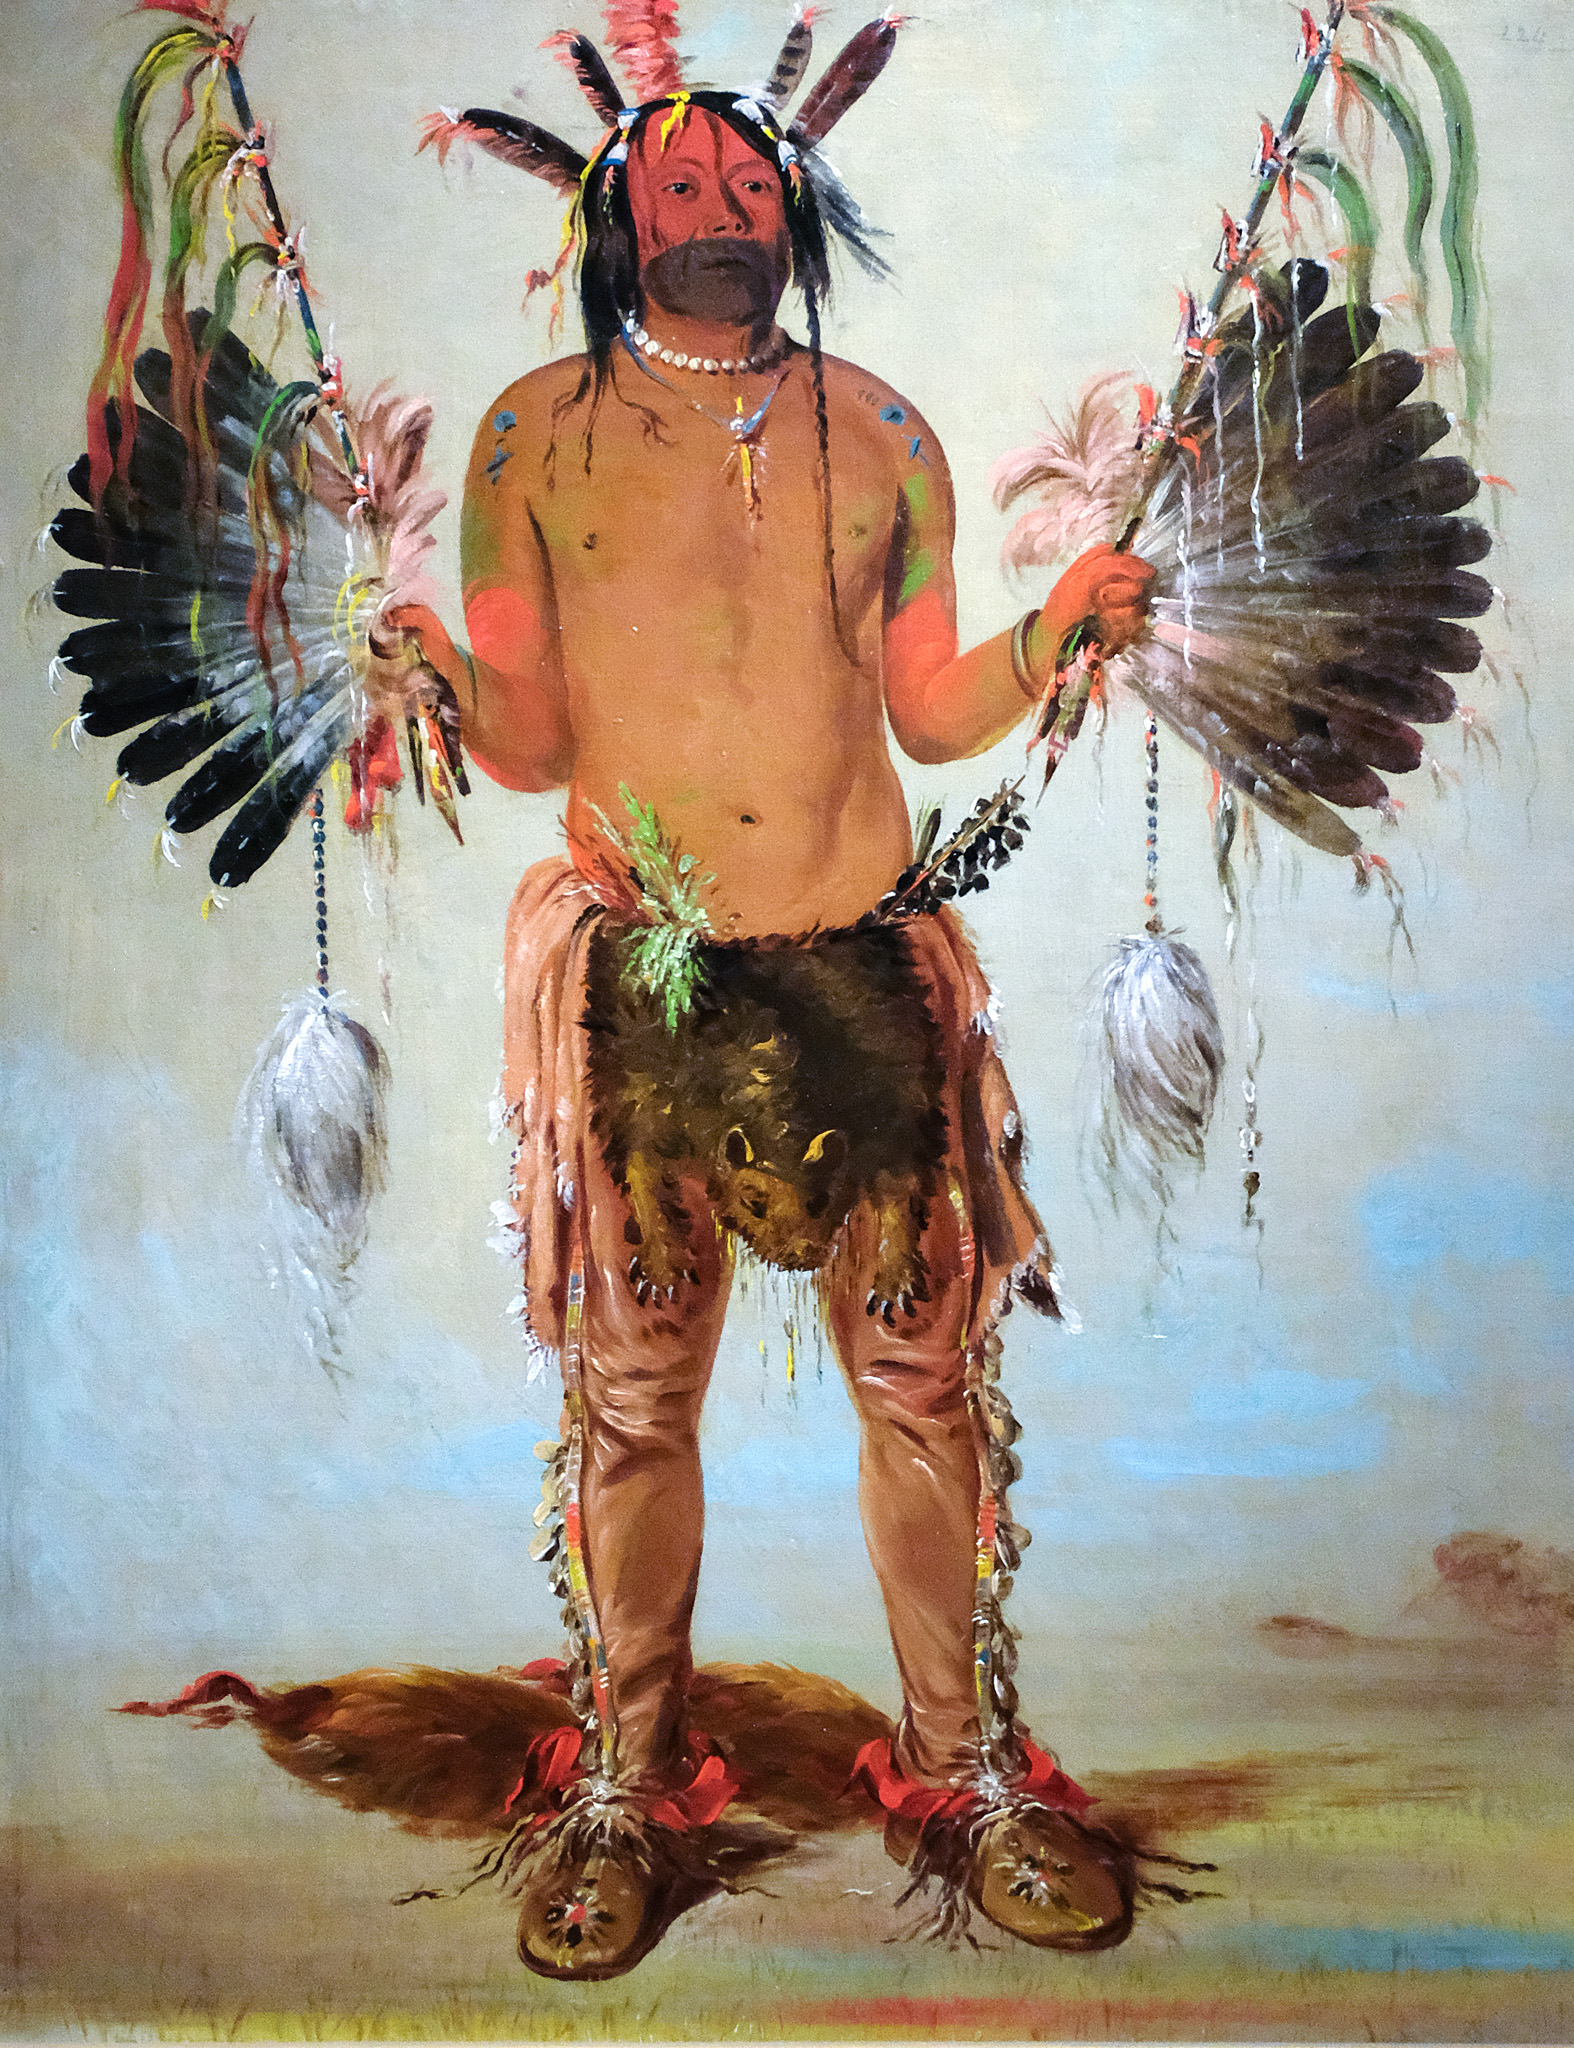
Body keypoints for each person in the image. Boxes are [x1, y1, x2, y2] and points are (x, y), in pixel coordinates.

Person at [385, 42, 1154, 1979]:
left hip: (854, 968)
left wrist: (1055, 629)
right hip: (647, 983)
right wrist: (436, 675)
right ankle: (626, 1787)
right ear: (611, 216)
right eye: (678, 182)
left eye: (747, 180)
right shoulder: (528, 441)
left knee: (922, 1384)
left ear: (795, 202)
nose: (718, 203)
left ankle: (963, 1775)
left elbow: (931, 709)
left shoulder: (879, 429)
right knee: (634, 1397)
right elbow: (530, 732)